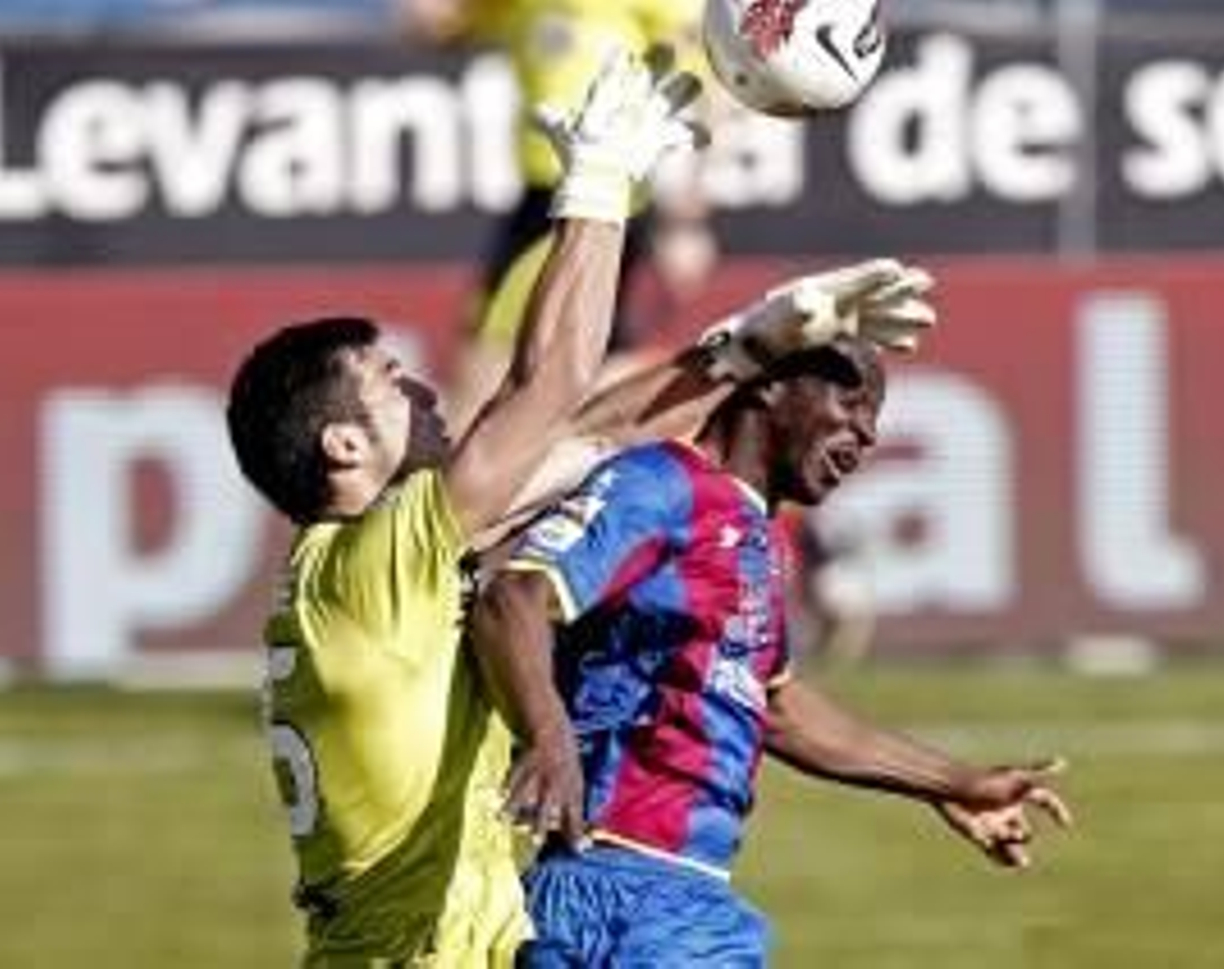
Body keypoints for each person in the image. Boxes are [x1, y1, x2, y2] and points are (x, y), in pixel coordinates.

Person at [226, 47, 933, 965]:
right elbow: (549, 384)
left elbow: (592, 440)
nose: (432, 396)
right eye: (395, 385)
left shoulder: (365, 569)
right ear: (343, 445)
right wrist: (598, 187)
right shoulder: (377, 556)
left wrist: (750, 345)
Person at [471, 336, 1072, 967]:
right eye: (851, 401)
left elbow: (776, 707)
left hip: (676, 901)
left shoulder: (759, 539)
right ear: (770, 385)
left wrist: (953, 783)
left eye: (875, 419)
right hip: (623, 892)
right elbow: (514, 596)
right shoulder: (662, 484)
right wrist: (549, 734)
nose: (866, 435)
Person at [399, 0, 719, 428]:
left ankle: (457, 487)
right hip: (545, 195)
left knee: (494, 349)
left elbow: (695, 90)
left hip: (602, 195)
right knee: (593, 354)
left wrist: (685, 220)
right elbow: (431, 25)